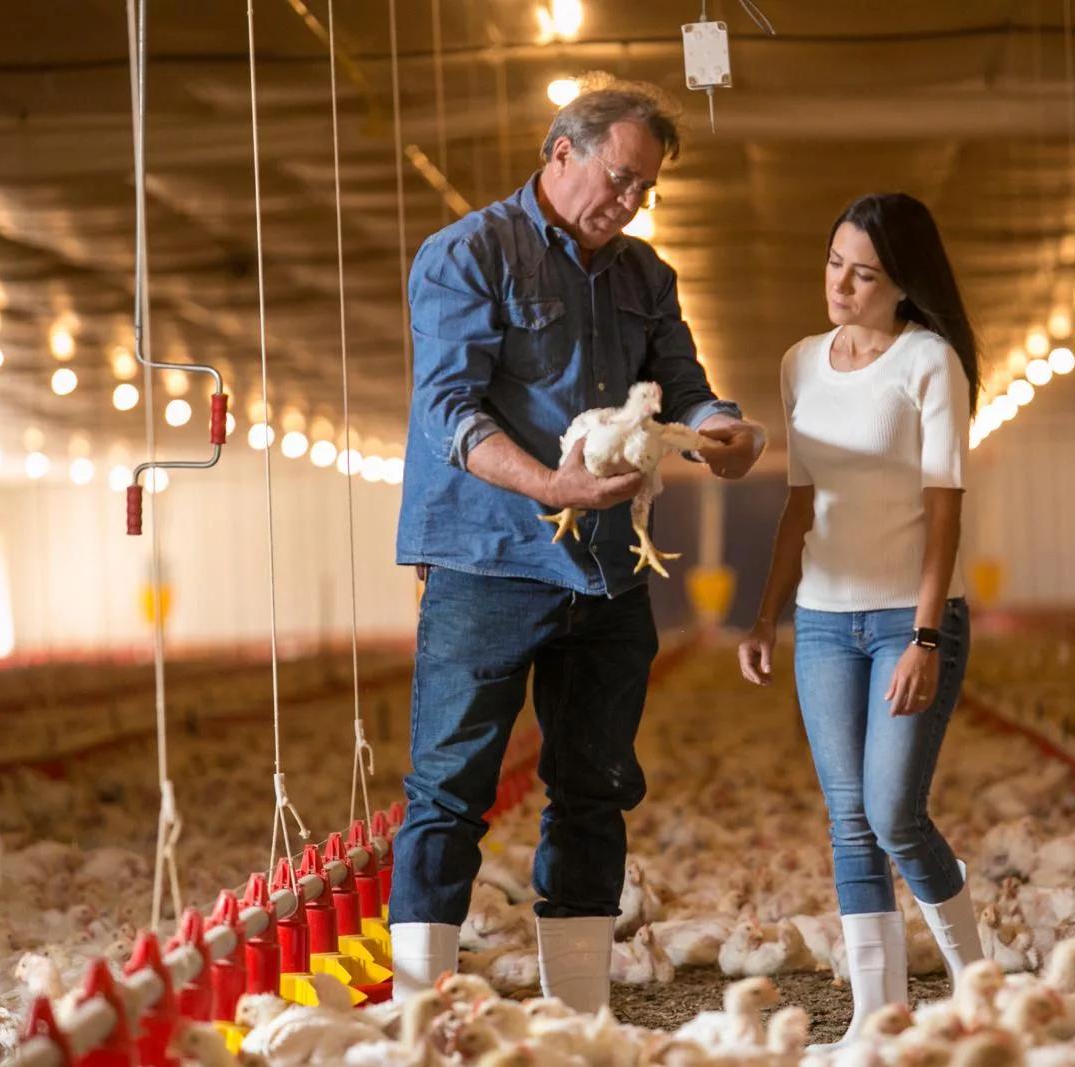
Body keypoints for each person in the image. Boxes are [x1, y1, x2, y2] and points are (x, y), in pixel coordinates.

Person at [391, 77, 766, 1011]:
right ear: (563, 152)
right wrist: (549, 485)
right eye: (621, 178)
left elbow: (684, 385)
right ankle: (421, 1013)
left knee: (595, 787)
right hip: (487, 560)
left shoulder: (645, 276)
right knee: (449, 787)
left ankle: (581, 1010)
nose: (632, 201)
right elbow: (449, 408)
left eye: (645, 189)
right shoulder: (468, 253)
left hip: (604, 568)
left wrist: (724, 429)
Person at [738, 192, 983, 1048]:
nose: (842, 283)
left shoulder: (929, 362)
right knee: (847, 819)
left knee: (893, 814)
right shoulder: (801, 362)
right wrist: (765, 615)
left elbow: (944, 510)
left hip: (906, 623)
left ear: (902, 284)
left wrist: (923, 634)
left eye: (865, 272)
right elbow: (799, 505)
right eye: (836, 261)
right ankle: (878, 1019)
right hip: (821, 622)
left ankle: (977, 983)